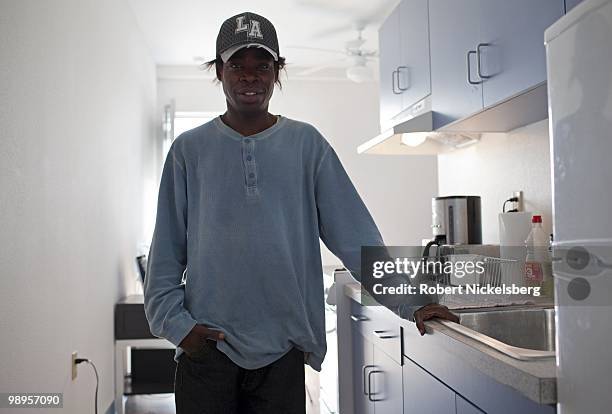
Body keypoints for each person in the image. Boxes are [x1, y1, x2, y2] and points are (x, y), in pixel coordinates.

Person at [143, 11, 458, 414]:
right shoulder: (189, 151)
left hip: (283, 351)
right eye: (237, 64)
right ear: (219, 71)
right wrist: (179, 329)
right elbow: (165, 254)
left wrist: (411, 301)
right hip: (207, 352)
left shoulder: (307, 145)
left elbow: (357, 238)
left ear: (278, 72)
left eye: (263, 65)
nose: (249, 76)